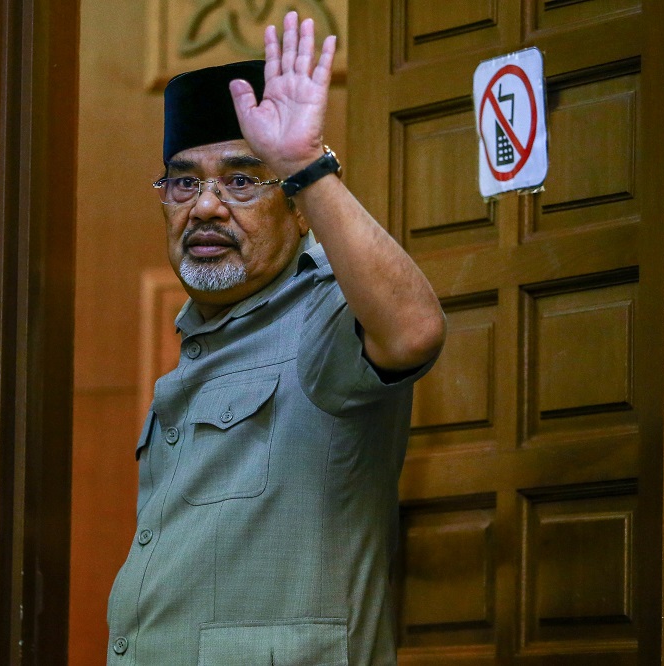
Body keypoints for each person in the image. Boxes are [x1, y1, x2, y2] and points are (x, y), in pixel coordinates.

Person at [107, 12, 446, 665]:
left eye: (241, 180)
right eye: (184, 182)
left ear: (296, 207)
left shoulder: (323, 319)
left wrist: (305, 165)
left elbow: (414, 332)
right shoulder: (201, 339)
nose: (206, 206)